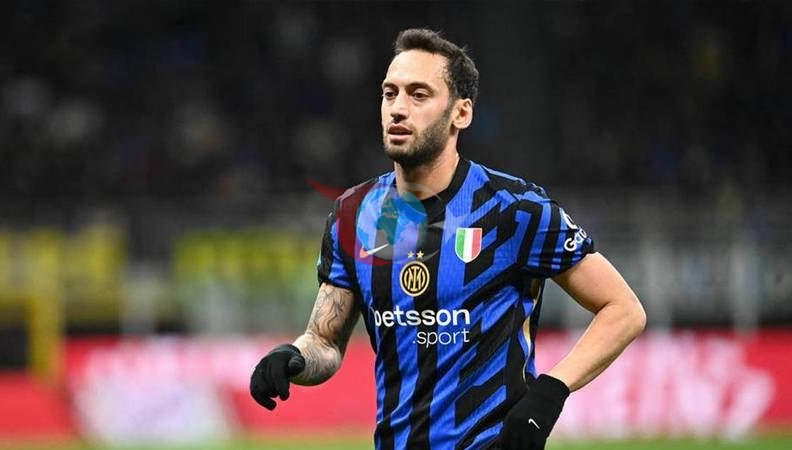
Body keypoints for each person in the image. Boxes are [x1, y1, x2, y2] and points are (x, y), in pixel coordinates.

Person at [250, 28, 646, 450]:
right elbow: (325, 342)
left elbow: (623, 310)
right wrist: (294, 358)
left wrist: (550, 392)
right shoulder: (354, 215)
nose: (398, 109)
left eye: (418, 95)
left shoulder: (515, 210)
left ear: (461, 113)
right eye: (389, 93)